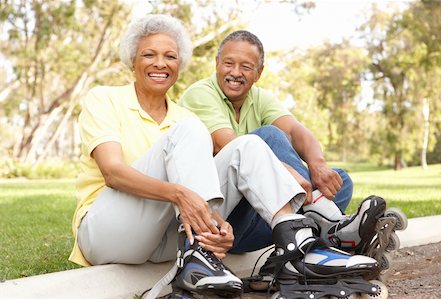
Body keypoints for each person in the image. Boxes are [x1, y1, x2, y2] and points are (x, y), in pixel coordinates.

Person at [70, 15, 379, 299]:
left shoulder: (183, 116)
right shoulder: (105, 98)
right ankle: (320, 227)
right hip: (107, 233)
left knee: (249, 146)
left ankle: (296, 246)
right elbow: (113, 172)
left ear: (180, 64)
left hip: (166, 239)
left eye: (170, 56)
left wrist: (218, 225)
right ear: (132, 60)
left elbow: (199, 183)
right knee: (195, 132)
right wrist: (181, 194)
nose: (160, 64)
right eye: (149, 55)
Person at [179, 30, 386, 254]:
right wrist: (285, 172)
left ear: (258, 72)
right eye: (229, 63)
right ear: (217, 63)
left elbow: (296, 131)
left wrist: (318, 166)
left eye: (246, 67)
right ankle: (331, 226)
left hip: (266, 217)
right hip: (225, 220)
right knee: (268, 136)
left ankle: (310, 237)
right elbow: (228, 144)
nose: (235, 73)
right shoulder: (200, 93)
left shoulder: (258, 98)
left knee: (338, 181)